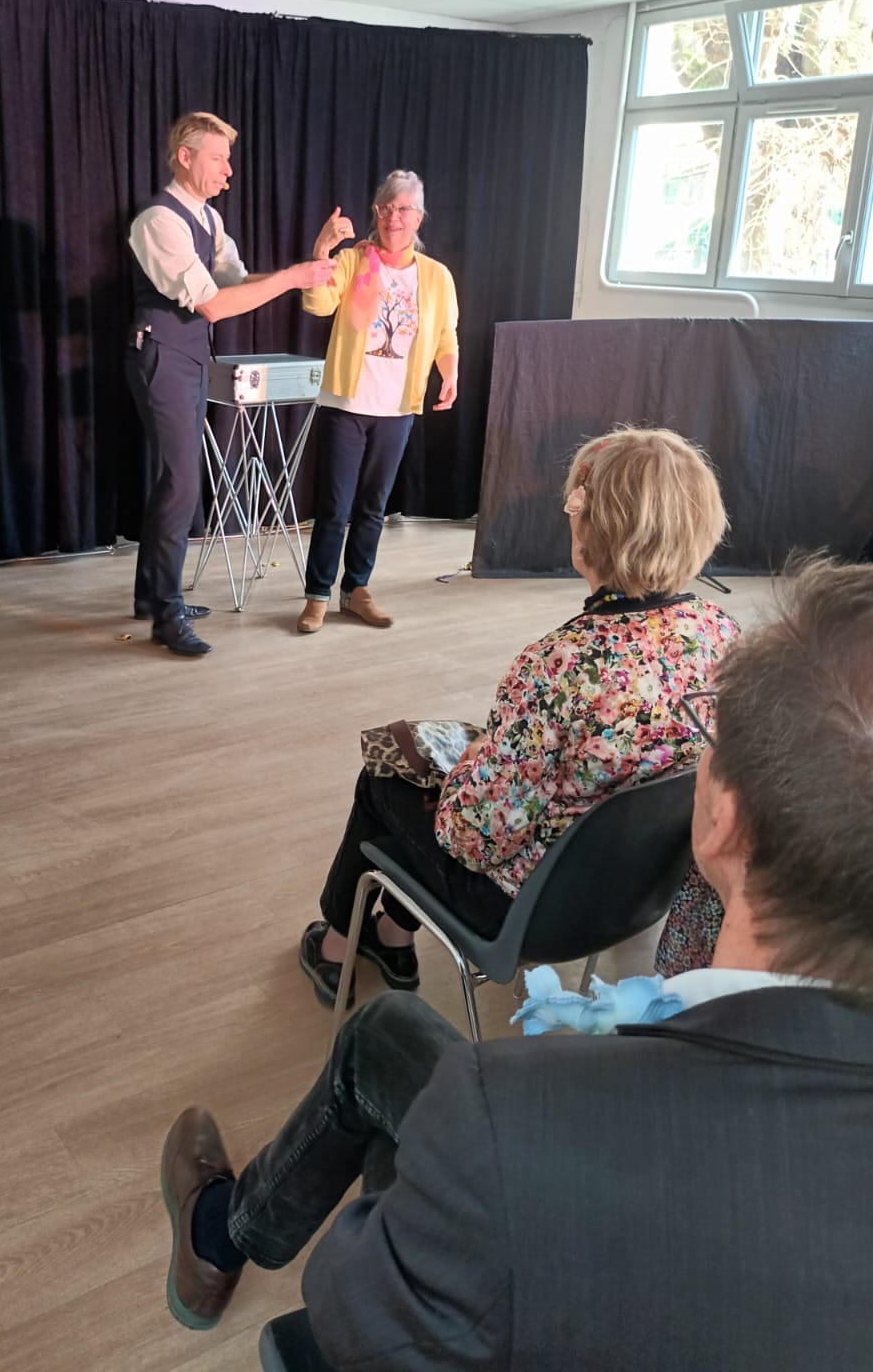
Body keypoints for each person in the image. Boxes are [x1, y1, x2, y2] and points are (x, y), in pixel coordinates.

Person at [160, 557, 873, 1370]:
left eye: (713, 735)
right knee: (387, 1032)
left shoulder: (501, 1119)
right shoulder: (706, 631)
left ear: (727, 824)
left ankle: (218, 1234)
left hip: (511, 1010)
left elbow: (345, 1313)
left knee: (383, 1047)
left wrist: (440, 1174)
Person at [299, 426, 736, 1007]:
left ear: (590, 529)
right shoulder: (722, 636)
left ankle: (335, 947)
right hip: (637, 894)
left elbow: (469, 839)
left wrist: (468, 767)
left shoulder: (559, 666)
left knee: (384, 781)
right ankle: (392, 937)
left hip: (527, 912)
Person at [127, 112, 333, 658]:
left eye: (228, 159)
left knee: (174, 483)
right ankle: (166, 615)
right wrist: (292, 279)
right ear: (185, 156)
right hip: (162, 358)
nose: (228, 171)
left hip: (191, 358)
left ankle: (151, 596)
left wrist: (305, 271)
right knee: (181, 484)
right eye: (218, 158)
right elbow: (214, 304)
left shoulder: (209, 220)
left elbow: (237, 281)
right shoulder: (159, 221)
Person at [296, 171, 458, 635]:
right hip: (346, 404)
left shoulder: (436, 276)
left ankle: (356, 590)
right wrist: (322, 251)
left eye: (403, 209)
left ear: (419, 217)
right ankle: (318, 594)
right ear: (376, 213)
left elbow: (446, 334)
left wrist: (449, 373)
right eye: (385, 208)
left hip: (398, 408)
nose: (393, 217)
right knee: (335, 506)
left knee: (373, 507)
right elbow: (318, 305)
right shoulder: (353, 261)